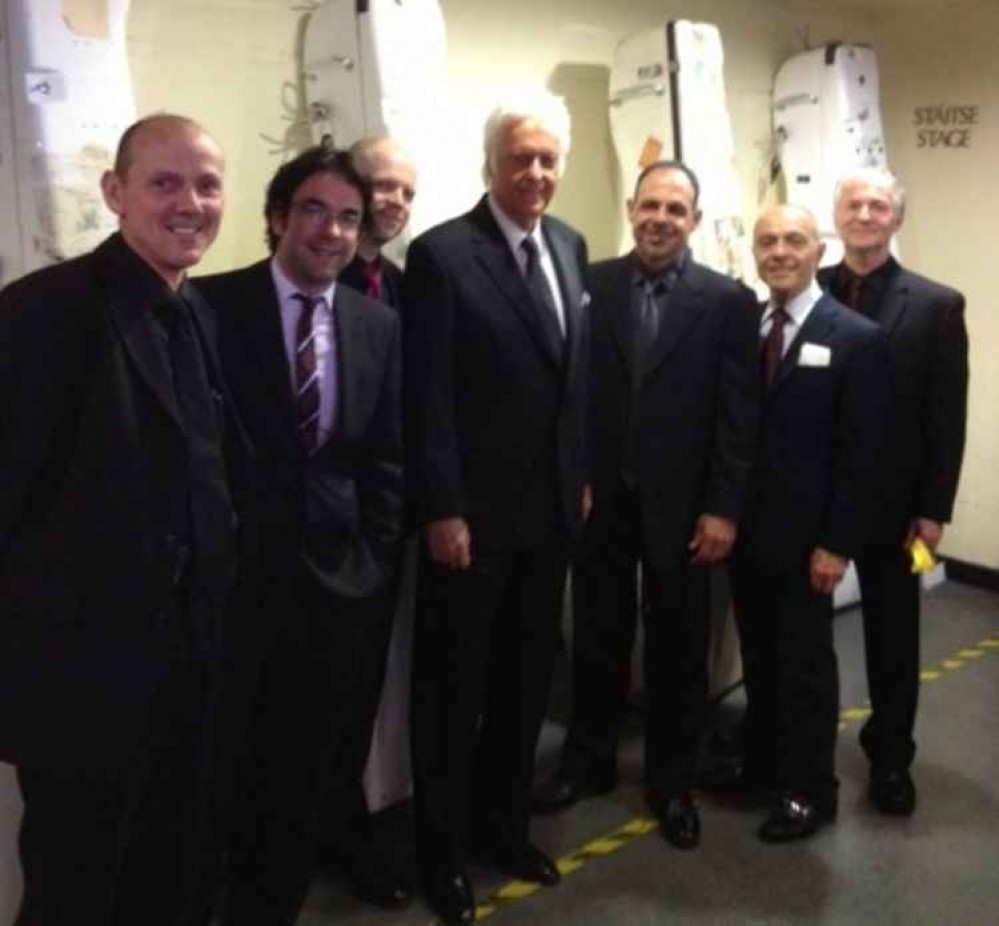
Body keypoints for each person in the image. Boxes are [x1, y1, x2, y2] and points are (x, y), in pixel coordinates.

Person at [0, 113, 248, 925]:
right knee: (76, 889)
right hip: (82, 686)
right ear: (115, 192)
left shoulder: (200, 312)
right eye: (164, 182)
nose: (190, 203)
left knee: (168, 872)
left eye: (207, 184)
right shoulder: (45, 312)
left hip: (189, 663)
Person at [198, 146, 403, 926]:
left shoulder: (375, 324)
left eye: (349, 217)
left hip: (338, 587)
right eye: (314, 210)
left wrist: (374, 559)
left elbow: (386, 458)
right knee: (227, 767)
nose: (331, 231)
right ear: (278, 216)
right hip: (238, 587)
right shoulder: (210, 308)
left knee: (304, 769)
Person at [532, 161, 760, 850]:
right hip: (601, 500)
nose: (659, 218)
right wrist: (572, 476)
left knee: (677, 646)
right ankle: (589, 760)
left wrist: (723, 509)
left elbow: (736, 417)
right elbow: (569, 398)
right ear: (631, 208)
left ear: (692, 219)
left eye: (675, 208)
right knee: (597, 635)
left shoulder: (726, 302)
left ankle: (670, 778)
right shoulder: (590, 285)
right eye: (650, 205)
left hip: (686, 510)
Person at [403, 91, 590, 925]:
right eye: (521, 158)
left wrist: (577, 475)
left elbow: (571, 383)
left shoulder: (572, 246)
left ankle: (502, 829)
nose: (537, 173)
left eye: (549, 159)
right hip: (469, 525)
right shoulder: (443, 255)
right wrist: (441, 506)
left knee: (521, 687)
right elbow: (428, 394)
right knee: (453, 694)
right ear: (491, 164)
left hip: (548, 519)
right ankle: (441, 855)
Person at [730, 203, 890, 843]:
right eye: (767, 241)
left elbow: (864, 455)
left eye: (793, 240)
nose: (779, 252)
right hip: (747, 536)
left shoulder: (854, 337)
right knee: (760, 661)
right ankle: (764, 767)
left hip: (810, 544)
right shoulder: (744, 326)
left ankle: (810, 790)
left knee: (805, 670)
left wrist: (836, 544)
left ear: (817, 250)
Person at [819, 168, 969, 815]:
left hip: (892, 504)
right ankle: (795, 748)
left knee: (891, 638)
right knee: (801, 636)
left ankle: (889, 759)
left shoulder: (935, 306)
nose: (864, 214)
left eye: (877, 205)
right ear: (837, 215)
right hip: (813, 500)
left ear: (894, 220)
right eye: (853, 204)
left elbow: (945, 416)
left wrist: (932, 510)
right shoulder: (807, 289)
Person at [314, 135, 417, 910]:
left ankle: (351, 829)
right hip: (286, 554)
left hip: (372, 541)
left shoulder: (403, 288)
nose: (392, 204)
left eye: (403, 193)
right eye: (379, 188)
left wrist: (384, 539)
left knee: (357, 702)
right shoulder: (290, 285)